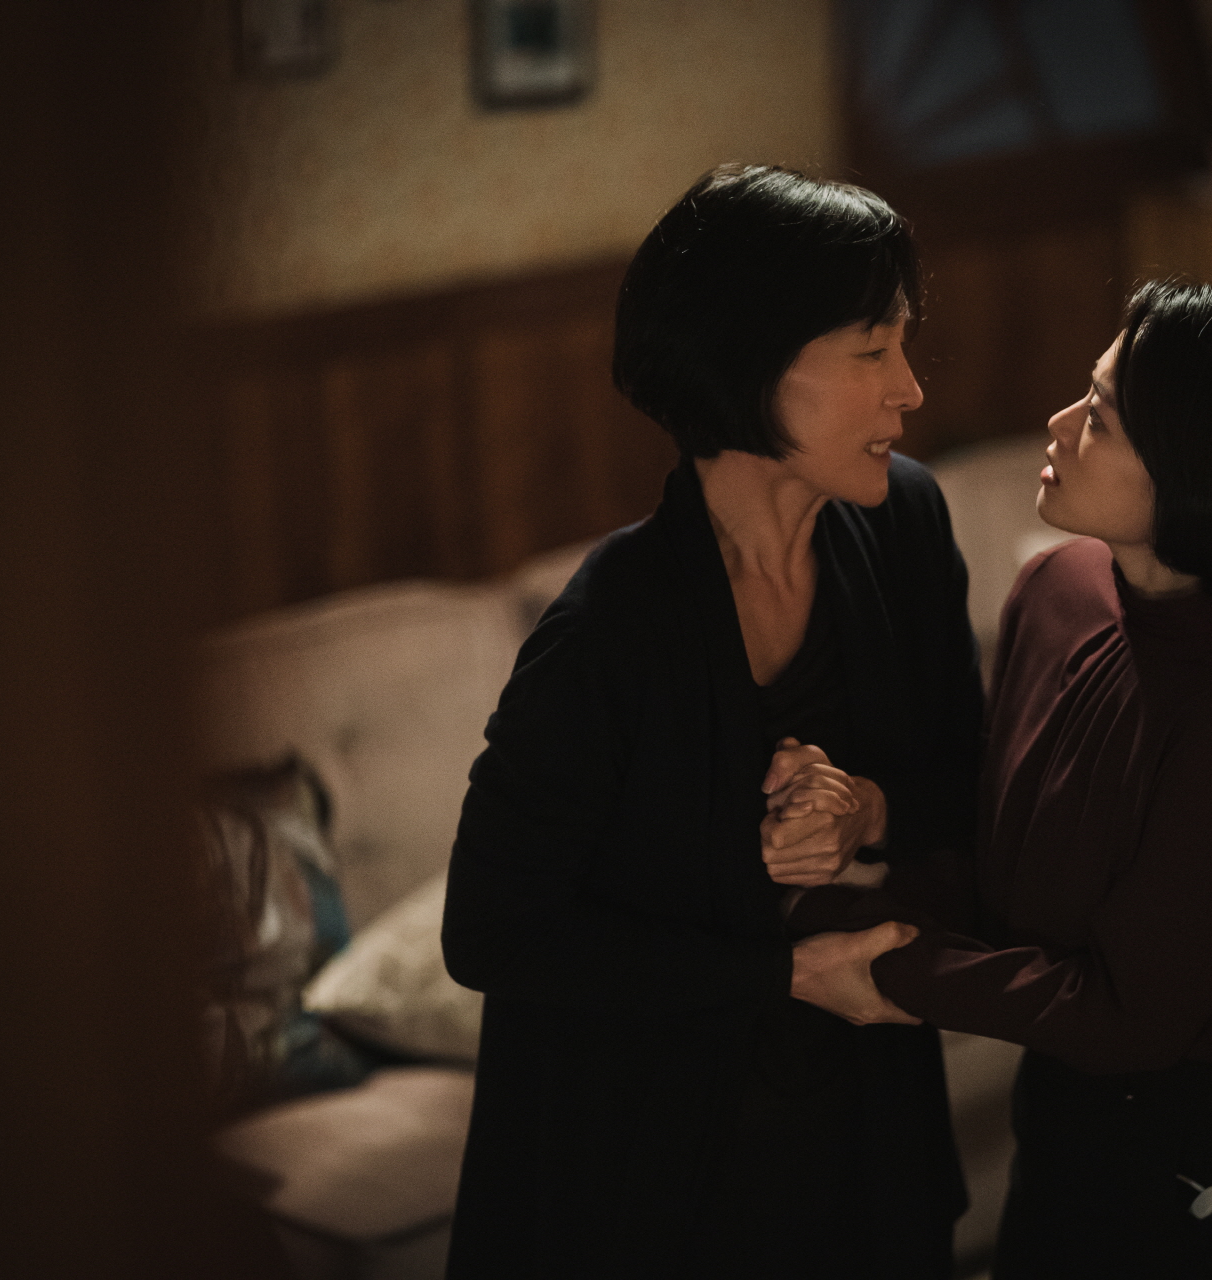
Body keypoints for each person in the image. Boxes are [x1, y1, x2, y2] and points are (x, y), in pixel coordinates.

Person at [439, 164, 982, 1279]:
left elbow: (974, 783)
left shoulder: (905, 523)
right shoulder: (608, 629)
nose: (910, 390)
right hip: (647, 1170)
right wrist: (782, 973)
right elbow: (490, 932)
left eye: (904, 345)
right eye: (872, 350)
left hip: (866, 1131)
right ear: (750, 361)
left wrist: (866, 809)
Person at [790, 281, 1212, 1277]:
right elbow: (997, 863)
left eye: (1099, 417)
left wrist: (883, 972)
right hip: (1065, 1121)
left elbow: (1127, 1013)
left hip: (1211, 1159)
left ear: (1193, 471)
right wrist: (807, 897)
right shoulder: (1055, 589)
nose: (1059, 424)